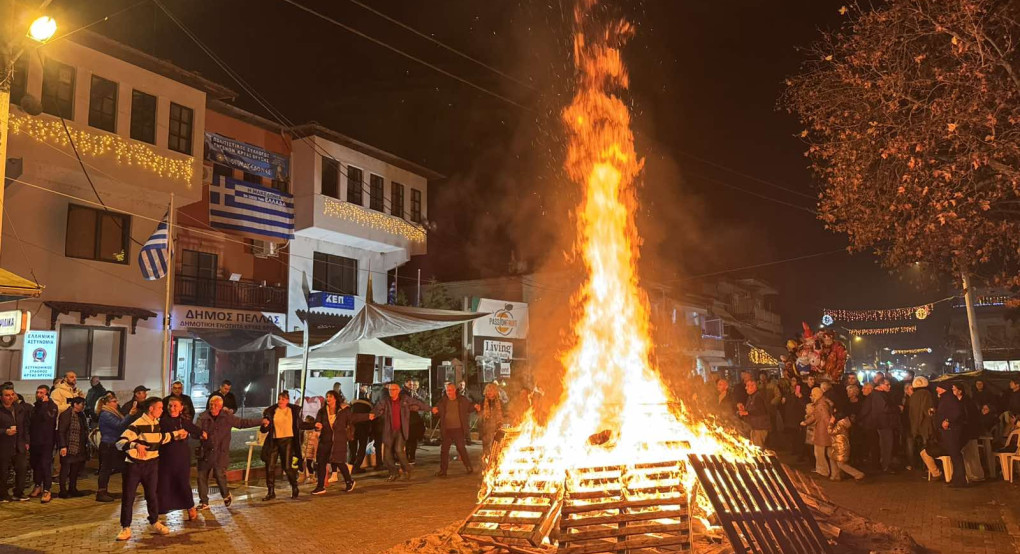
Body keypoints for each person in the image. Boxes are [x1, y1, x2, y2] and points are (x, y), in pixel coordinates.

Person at [116, 398, 185, 541]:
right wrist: (135, 445)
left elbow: (160, 438)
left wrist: (177, 434)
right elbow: (120, 442)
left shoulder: (156, 424)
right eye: (160, 407)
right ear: (151, 409)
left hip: (151, 465)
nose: (162, 410)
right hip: (134, 466)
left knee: (152, 495)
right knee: (129, 497)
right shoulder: (137, 424)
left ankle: (154, 522)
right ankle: (125, 527)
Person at [195, 395, 262, 510]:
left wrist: (260, 421)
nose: (212, 407)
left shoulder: (226, 417)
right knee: (201, 476)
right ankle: (204, 502)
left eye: (215, 405)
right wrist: (199, 434)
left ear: (220, 406)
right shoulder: (203, 416)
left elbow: (242, 423)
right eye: (211, 404)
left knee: (219, 475)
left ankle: (226, 495)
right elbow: (195, 430)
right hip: (205, 453)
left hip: (220, 452)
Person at [310, 390, 372, 495]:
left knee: (339, 462)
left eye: (330, 397)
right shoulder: (322, 411)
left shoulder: (343, 411)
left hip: (338, 441)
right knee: (321, 463)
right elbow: (318, 422)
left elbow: (353, 418)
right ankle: (320, 486)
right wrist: (317, 426)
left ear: (335, 399)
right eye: (327, 396)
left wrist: (367, 416)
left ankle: (349, 481)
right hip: (325, 440)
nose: (328, 399)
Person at [157, 397, 203, 521]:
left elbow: (197, 431)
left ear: (181, 407)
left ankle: (190, 506)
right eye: (170, 406)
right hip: (166, 458)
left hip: (181, 457)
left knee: (183, 483)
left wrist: (203, 434)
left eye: (175, 406)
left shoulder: (184, 422)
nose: (172, 408)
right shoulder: (162, 421)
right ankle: (160, 508)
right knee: (164, 483)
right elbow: (158, 437)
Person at [373, 382, 430, 481]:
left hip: (400, 430)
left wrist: (430, 409)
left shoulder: (404, 400)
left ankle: (407, 470)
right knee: (386, 456)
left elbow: (418, 403)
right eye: (390, 390)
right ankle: (394, 472)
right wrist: (372, 414)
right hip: (389, 431)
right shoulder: (385, 401)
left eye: (393, 390)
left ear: (398, 391)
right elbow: (377, 409)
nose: (391, 392)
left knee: (398, 450)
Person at [260, 391, 302, 500]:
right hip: (274, 441)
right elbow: (263, 430)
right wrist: (265, 425)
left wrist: (314, 425)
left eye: (283, 399)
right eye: (279, 399)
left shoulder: (293, 411)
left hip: (287, 440)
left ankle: (294, 486)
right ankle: (271, 492)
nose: (280, 401)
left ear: (287, 400)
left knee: (287, 467)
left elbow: (300, 424)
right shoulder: (271, 411)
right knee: (270, 467)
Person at [432, 382, 480, 477]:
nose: (448, 392)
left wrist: (475, 406)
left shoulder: (462, 400)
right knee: (444, 450)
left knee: (461, 448)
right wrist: (435, 411)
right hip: (447, 430)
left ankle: (468, 467)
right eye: (447, 391)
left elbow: (469, 407)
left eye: (450, 390)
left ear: (454, 390)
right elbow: (437, 411)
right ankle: (443, 471)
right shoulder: (443, 401)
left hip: (458, 429)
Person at [0, 384, 30, 502]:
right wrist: (5, 431)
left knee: (22, 469)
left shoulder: (19, 408)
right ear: (1, 397)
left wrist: (26, 441)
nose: (10, 397)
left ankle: (19, 493)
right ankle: (2, 494)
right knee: (3, 472)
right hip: (4, 445)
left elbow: (25, 426)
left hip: (19, 444)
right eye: (7, 395)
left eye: (12, 394)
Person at [28, 385, 57, 503]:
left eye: (41, 393)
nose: (39, 394)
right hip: (35, 441)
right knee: (36, 465)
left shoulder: (52, 407)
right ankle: (37, 485)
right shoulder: (35, 407)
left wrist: (45, 404)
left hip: (46, 442)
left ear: (47, 394)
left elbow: (49, 419)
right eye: (37, 392)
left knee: (45, 465)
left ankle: (47, 489)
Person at [934, 383, 967, 488]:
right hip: (949, 431)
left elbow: (957, 412)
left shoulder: (949, 398)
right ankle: (956, 479)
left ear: (943, 388)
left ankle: (960, 480)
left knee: (955, 455)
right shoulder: (946, 398)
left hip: (952, 431)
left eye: (938, 387)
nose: (936, 389)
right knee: (954, 455)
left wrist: (948, 421)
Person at [56, 397, 89, 498]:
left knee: (75, 469)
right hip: (68, 446)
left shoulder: (81, 415)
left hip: (78, 447)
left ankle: (72, 488)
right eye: (82, 404)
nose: (83, 406)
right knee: (65, 469)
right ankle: (62, 490)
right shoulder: (66, 414)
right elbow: (61, 431)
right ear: (75, 404)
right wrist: (63, 446)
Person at [96, 394, 125, 502]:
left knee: (108, 469)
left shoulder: (112, 413)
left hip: (113, 443)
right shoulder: (106, 414)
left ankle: (103, 491)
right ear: (107, 403)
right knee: (106, 469)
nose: (116, 403)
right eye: (114, 401)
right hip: (108, 444)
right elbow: (119, 425)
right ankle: (101, 492)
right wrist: (130, 415)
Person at [955, 383, 985, 482]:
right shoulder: (958, 402)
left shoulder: (967, 402)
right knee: (967, 454)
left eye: (954, 389)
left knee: (972, 453)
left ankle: (977, 475)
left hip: (970, 431)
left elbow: (971, 418)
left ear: (960, 391)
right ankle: (970, 474)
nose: (953, 391)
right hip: (963, 431)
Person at [803, 387, 835, 477]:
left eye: (812, 394)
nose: (811, 396)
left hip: (822, 431)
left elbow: (823, 418)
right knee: (825, 453)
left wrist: (806, 422)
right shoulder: (823, 403)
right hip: (824, 431)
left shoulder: (820, 405)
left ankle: (823, 471)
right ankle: (828, 471)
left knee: (819, 452)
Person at [906, 377, 934, 473]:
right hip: (925, 426)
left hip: (915, 426)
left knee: (918, 446)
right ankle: (928, 468)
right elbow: (929, 411)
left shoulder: (913, 396)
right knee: (927, 447)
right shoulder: (927, 394)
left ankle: (918, 466)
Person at [828, 407, 865, 481]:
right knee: (833, 458)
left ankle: (858, 474)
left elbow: (831, 432)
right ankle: (835, 476)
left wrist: (831, 423)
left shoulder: (840, 424)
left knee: (841, 464)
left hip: (840, 446)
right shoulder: (844, 423)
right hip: (838, 445)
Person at [871, 379, 898, 473]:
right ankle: (885, 465)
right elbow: (885, 408)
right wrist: (897, 408)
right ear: (881, 385)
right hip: (884, 424)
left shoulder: (879, 394)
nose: (889, 386)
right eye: (887, 385)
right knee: (886, 445)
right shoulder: (879, 395)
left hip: (884, 423)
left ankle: (886, 464)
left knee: (886, 445)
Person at [479, 383, 506, 467]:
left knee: (497, 447)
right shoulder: (482, 402)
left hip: (497, 428)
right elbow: (480, 416)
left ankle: (497, 464)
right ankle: (487, 465)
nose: (489, 392)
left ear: (495, 392)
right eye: (488, 390)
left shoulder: (500, 402)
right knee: (486, 448)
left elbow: (504, 414)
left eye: (491, 390)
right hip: (486, 429)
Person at [738, 380, 770, 447]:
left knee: (758, 447)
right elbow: (751, 410)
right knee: (754, 446)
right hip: (754, 427)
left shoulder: (758, 397)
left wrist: (747, 412)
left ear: (754, 386)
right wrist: (743, 410)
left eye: (747, 386)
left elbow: (761, 410)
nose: (745, 388)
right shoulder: (751, 397)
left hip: (760, 427)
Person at [403, 379, 426, 464]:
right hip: (407, 420)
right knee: (407, 439)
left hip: (414, 420)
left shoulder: (414, 393)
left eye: (413, 385)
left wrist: (417, 396)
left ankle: (412, 456)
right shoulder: (403, 393)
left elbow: (422, 402)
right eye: (410, 384)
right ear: (405, 384)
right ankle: (406, 456)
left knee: (413, 439)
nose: (412, 386)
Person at [349, 394, 373, 474]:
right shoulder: (369, 405)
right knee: (362, 446)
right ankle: (357, 466)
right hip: (364, 426)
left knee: (352, 446)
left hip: (353, 426)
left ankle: (351, 464)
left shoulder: (353, 403)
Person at [300, 415, 319, 483]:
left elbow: (315, 444)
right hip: (305, 450)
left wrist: (315, 454)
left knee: (309, 464)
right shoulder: (304, 432)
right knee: (304, 464)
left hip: (310, 451)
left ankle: (312, 477)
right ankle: (305, 476)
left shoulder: (314, 433)